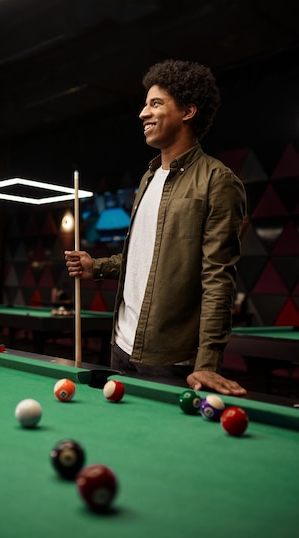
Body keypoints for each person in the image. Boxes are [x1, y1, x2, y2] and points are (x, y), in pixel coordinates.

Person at [65, 59, 247, 397]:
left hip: (171, 357)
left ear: (188, 111)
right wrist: (97, 266)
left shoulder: (217, 181)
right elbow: (143, 259)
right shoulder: (148, 177)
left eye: (155, 103)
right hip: (121, 343)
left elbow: (218, 277)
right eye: (145, 104)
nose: (142, 113)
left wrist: (207, 362)